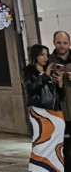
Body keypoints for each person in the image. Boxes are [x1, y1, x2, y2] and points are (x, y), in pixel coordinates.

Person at [23, 44, 65, 171]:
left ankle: (55, 168)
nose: (45, 58)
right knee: (41, 142)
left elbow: (60, 97)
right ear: (35, 56)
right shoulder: (28, 72)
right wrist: (45, 76)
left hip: (55, 113)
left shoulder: (50, 71)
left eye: (47, 55)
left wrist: (60, 83)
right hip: (39, 112)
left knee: (57, 145)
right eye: (42, 54)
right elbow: (31, 89)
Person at [49, 30, 71, 171]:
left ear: (69, 43)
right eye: (59, 42)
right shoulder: (49, 61)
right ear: (54, 43)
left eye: (65, 43)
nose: (62, 46)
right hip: (59, 110)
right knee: (63, 145)